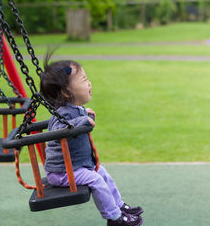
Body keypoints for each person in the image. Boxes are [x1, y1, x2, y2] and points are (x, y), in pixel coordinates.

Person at [40, 56, 144, 226]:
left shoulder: (73, 109)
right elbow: (60, 129)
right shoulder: (63, 114)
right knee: (95, 180)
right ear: (66, 92)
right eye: (84, 80)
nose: (89, 83)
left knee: (102, 173)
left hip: (77, 166)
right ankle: (115, 218)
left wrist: (83, 113)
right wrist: (82, 120)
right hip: (62, 172)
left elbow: (75, 118)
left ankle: (119, 206)